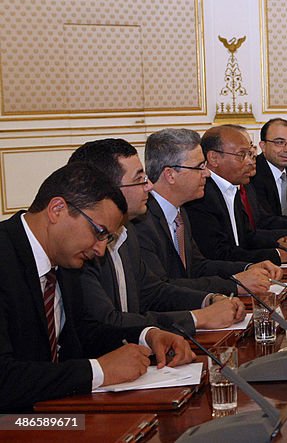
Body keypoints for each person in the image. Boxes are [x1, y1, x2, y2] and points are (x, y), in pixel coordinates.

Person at [0, 163, 194, 410]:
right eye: (99, 232)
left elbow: (84, 334)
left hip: (57, 411)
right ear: (57, 209)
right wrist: (99, 371)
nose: (100, 250)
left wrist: (147, 336)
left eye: (107, 239)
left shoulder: (64, 259)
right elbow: (4, 377)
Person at [67, 139, 246, 335]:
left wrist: (209, 299)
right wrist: (198, 317)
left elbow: (152, 291)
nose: (149, 186)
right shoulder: (79, 247)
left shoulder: (127, 232)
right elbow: (105, 322)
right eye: (139, 180)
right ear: (106, 190)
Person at [133, 128, 281, 296]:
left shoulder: (180, 212)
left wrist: (249, 266)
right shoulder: (142, 222)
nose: (207, 173)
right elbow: (161, 288)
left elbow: (198, 266)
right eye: (199, 167)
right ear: (170, 175)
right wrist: (234, 285)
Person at [185, 125, 287, 264]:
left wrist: (280, 245)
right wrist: (276, 254)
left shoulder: (231, 187)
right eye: (242, 155)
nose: (251, 161)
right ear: (214, 158)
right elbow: (218, 254)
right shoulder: (202, 196)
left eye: (250, 154)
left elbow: (246, 237)